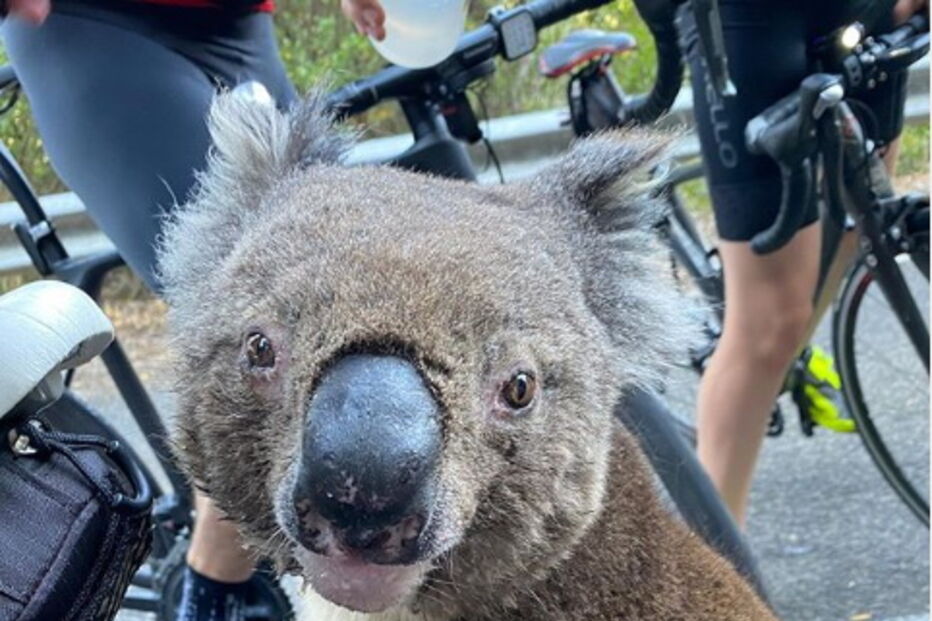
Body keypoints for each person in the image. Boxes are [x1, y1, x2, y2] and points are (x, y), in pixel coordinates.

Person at [0, 0, 384, 619]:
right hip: (96, 23)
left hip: (238, 22)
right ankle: (211, 597)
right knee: (269, 320)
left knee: (346, 299)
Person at [681, 0, 924, 528]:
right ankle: (717, 593)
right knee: (767, 325)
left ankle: (774, 364)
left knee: (863, 223)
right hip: (750, 18)